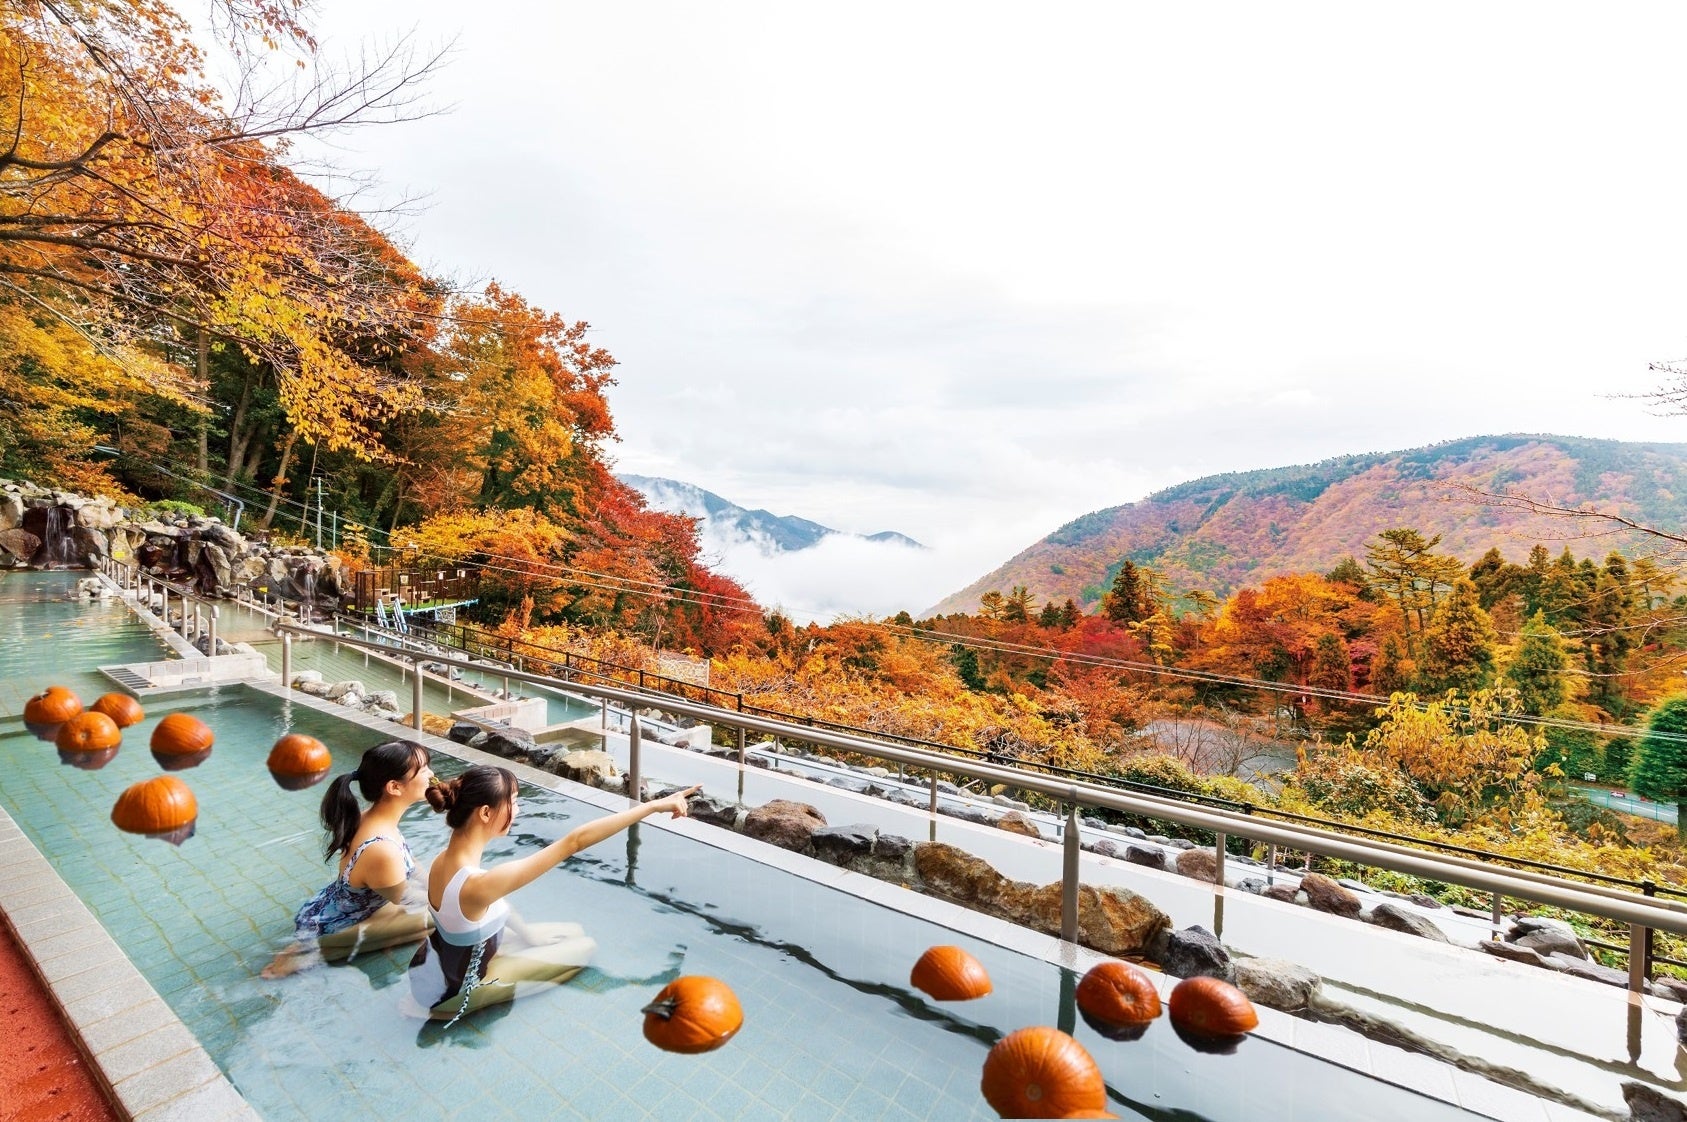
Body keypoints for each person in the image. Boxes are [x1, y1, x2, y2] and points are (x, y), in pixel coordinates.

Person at [407, 764, 698, 1023]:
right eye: (513, 802)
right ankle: (460, 1008)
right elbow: (575, 842)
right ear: (485, 813)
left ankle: (506, 960)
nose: (517, 810)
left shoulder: (442, 861)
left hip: (433, 966)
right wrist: (652, 807)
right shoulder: (479, 884)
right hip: (453, 991)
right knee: (584, 947)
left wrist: (528, 936)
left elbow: (483, 905)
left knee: (570, 931)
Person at [262, 739, 436, 979]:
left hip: (326, 911)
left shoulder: (372, 819)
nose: (432, 774)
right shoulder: (382, 849)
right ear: (395, 787)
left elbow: (413, 867)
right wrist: (450, 900)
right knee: (439, 919)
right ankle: (315, 953)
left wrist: (439, 888)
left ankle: (311, 947)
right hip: (338, 928)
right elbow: (404, 899)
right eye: (423, 769)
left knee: (441, 905)